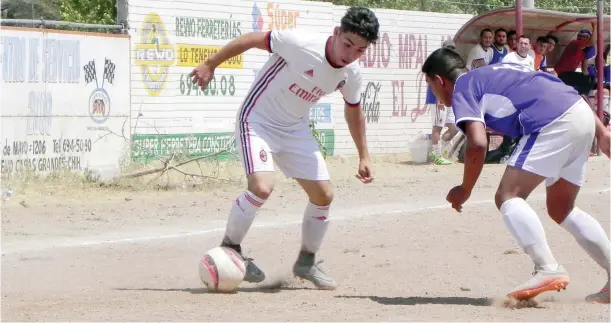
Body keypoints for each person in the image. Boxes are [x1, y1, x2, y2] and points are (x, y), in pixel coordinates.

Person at [189, 7, 379, 290]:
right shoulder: (301, 44)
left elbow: (354, 110)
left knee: (324, 195)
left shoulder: (351, 73)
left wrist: (364, 154)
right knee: (262, 187)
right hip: (257, 120)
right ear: (336, 33)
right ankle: (231, 249)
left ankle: (307, 261)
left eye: (360, 50)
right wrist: (210, 64)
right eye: (347, 44)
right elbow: (252, 39)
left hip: (295, 129)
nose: (350, 54)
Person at [421, 48, 611, 303]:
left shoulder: (463, 86)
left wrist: (465, 188)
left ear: (439, 80)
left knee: (508, 195)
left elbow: (477, 144)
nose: (435, 94)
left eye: (431, 86)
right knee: (561, 207)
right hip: (581, 114)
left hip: (552, 122)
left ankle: (547, 268)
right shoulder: (498, 72)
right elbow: (557, 86)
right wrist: (601, 132)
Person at [427, 39, 459, 165]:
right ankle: (436, 155)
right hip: (437, 99)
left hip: (448, 99)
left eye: (452, 49)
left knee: (454, 127)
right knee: (437, 127)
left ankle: (441, 151)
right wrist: (439, 98)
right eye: (448, 48)